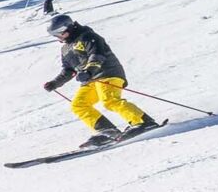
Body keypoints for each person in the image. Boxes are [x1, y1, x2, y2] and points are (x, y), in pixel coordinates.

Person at [44, 15, 157, 146]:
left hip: (107, 73)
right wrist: (55, 83)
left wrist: (89, 71)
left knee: (110, 100)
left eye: (58, 34)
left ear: (66, 28)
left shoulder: (87, 36)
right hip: (90, 80)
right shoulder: (66, 49)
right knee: (79, 105)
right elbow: (69, 70)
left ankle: (144, 122)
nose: (57, 37)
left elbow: (96, 55)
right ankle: (108, 131)